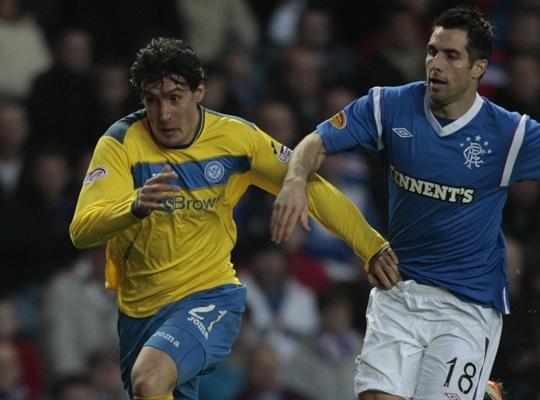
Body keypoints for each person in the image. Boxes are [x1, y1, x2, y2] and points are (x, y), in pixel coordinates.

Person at [270, 5, 540, 400]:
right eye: (432, 51)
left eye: (451, 56)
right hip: (399, 290)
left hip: (466, 304)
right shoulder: (388, 107)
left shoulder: (510, 134)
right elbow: (317, 140)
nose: (436, 65)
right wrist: (294, 181)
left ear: (478, 67)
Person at [69, 37, 399, 400]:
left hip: (208, 297)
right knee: (150, 387)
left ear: (200, 92)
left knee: (149, 380)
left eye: (174, 98)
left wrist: (373, 246)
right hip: (138, 310)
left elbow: (310, 186)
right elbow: (82, 231)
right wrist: (134, 205)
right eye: (152, 100)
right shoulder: (119, 142)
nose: (163, 115)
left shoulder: (236, 138)